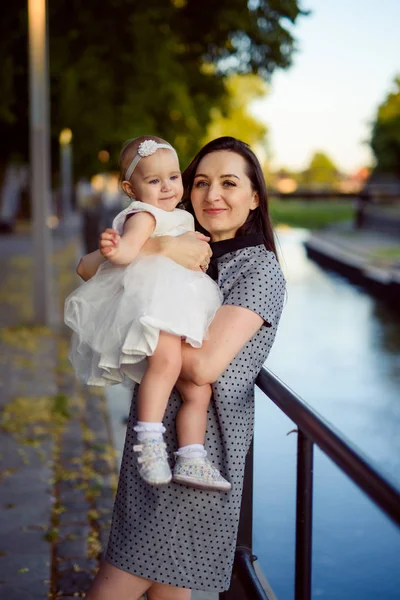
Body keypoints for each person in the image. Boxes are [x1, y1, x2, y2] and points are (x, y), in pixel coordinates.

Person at [79, 136, 286, 600]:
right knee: (168, 591)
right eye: (202, 182)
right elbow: (88, 267)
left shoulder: (259, 271)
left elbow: (204, 366)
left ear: (254, 198)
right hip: (153, 446)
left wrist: (140, 335)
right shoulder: (186, 247)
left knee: (117, 585)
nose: (212, 195)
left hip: (197, 459)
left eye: (229, 184)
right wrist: (157, 249)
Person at [65, 135, 231, 492]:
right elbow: (126, 253)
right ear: (130, 187)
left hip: (179, 302)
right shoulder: (145, 214)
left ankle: (191, 455)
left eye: (173, 177)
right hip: (155, 302)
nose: (167, 187)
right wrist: (115, 248)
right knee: (167, 363)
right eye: (154, 181)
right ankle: (150, 441)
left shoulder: (180, 215)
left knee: (198, 391)